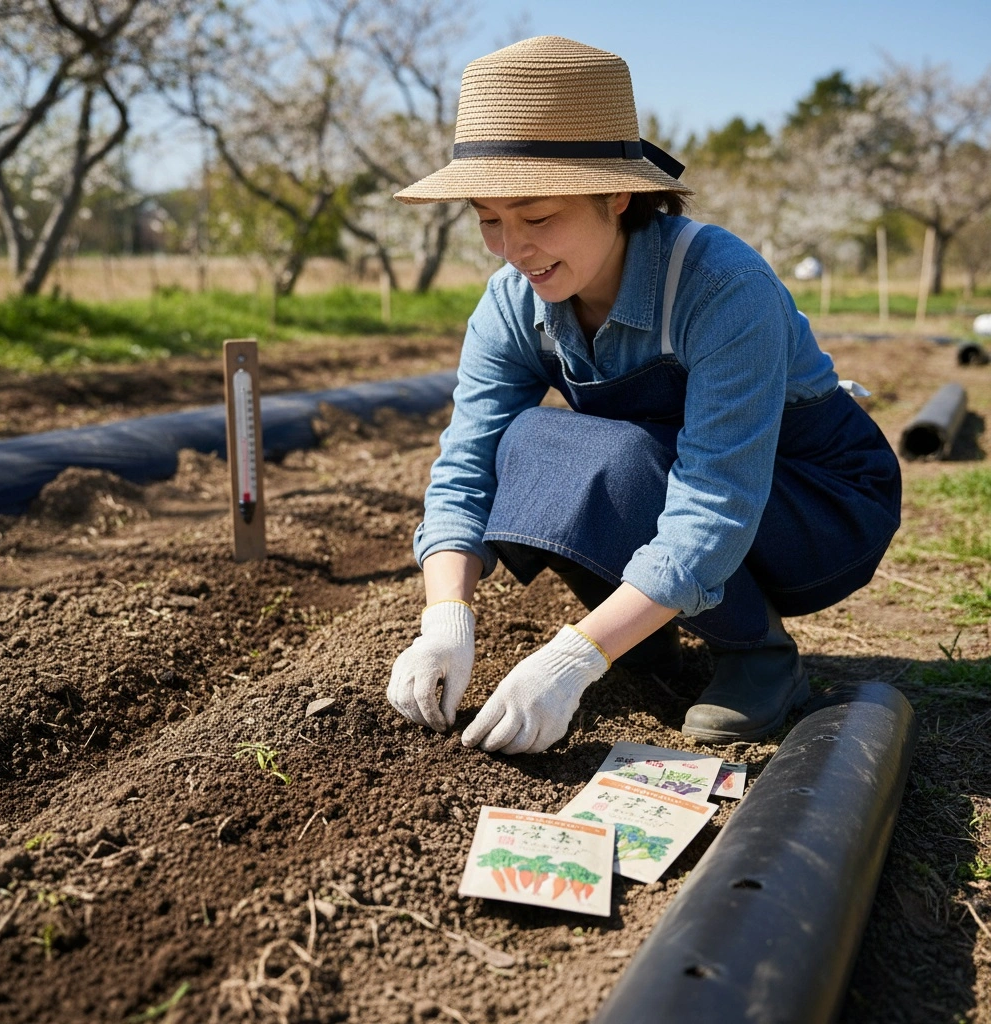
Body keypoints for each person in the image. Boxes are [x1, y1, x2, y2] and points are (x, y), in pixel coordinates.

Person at [385, 36, 901, 755]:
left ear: (616, 194)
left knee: (616, 462)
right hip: (674, 480)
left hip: (813, 503)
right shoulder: (511, 304)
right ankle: (644, 645)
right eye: (488, 219)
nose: (512, 247)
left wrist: (573, 658)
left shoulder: (720, 286)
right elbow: (466, 465)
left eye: (536, 217)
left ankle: (756, 655)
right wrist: (445, 621)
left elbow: (717, 495)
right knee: (530, 446)